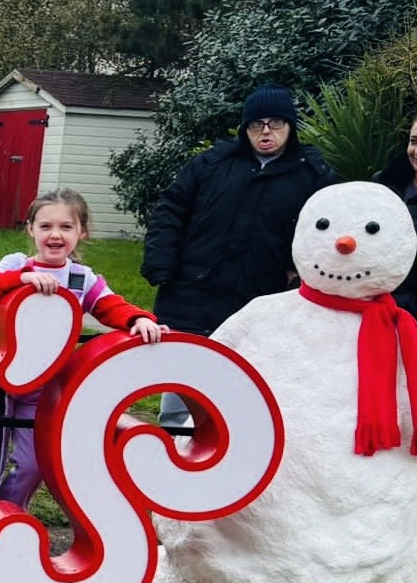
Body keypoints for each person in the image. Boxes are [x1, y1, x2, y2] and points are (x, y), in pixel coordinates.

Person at [142, 84, 336, 427]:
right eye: (256, 124)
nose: (266, 132)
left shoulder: (313, 175)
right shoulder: (211, 163)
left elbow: (325, 233)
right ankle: (172, 444)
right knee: (181, 390)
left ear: (290, 127)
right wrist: (161, 264)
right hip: (192, 293)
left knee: (241, 391)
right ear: (244, 128)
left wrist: (297, 274)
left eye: (275, 123)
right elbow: (170, 210)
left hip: (257, 299)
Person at [0, 189, 165, 508]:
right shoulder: (17, 264)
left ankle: (6, 512)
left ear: (81, 232)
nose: (55, 235)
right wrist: (23, 278)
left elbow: (110, 306)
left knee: (33, 463)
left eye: (66, 227)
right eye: (45, 226)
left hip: (43, 384)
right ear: (31, 229)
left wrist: (139, 319)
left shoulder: (80, 278)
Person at [375, 112, 417, 326]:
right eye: (414, 141)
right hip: (370, 319)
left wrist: (393, 306)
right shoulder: (381, 188)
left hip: (416, 327)